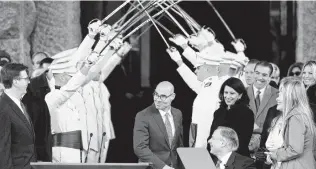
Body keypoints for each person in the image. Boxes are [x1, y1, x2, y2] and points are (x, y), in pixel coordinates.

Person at [166, 39, 225, 148]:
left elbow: (207, 124)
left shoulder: (217, 85)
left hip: (205, 141)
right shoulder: (208, 85)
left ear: (207, 69)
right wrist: (179, 60)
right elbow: (193, 82)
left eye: (198, 68)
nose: (195, 71)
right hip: (197, 136)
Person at [264, 77, 316, 169]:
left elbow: (295, 149)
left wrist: (275, 155)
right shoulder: (301, 115)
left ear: (290, 96)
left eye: (280, 94)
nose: (277, 99)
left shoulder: (296, 117)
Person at [133, 81, 184, 169]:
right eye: (156, 94)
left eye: (163, 96)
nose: (158, 99)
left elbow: (179, 145)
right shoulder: (143, 116)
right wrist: (163, 167)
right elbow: (140, 148)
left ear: (172, 96)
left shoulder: (178, 114)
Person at [0, 63, 36, 169]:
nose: (29, 82)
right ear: (15, 81)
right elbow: (3, 149)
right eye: (25, 79)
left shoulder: (20, 104)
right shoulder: (2, 107)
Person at [208, 77, 254, 157]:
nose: (228, 96)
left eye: (232, 93)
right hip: (215, 158)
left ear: (240, 95)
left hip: (236, 159)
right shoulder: (218, 112)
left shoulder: (247, 113)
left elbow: (242, 143)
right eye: (226, 92)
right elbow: (211, 137)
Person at [247, 61, 278, 153]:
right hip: (243, 144)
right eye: (257, 73)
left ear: (270, 77)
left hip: (266, 147)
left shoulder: (278, 95)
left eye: (264, 75)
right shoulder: (242, 93)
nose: (260, 77)